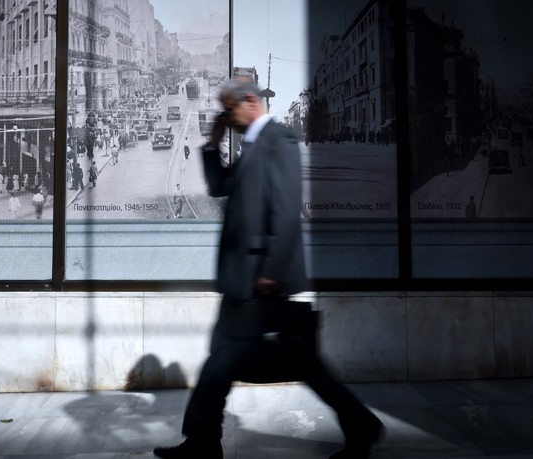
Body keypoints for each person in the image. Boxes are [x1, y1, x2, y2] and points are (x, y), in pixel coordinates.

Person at [154, 79, 383, 459]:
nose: (227, 118)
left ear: (249, 102)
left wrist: (271, 270)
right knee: (222, 362)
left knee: (298, 363)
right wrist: (212, 144)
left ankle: (362, 425)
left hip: (261, 279)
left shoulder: (279, 139)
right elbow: (219, 186)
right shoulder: (252, 144)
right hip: (243, 279)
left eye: (229, 110)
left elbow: (286, 206)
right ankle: (202, 441)